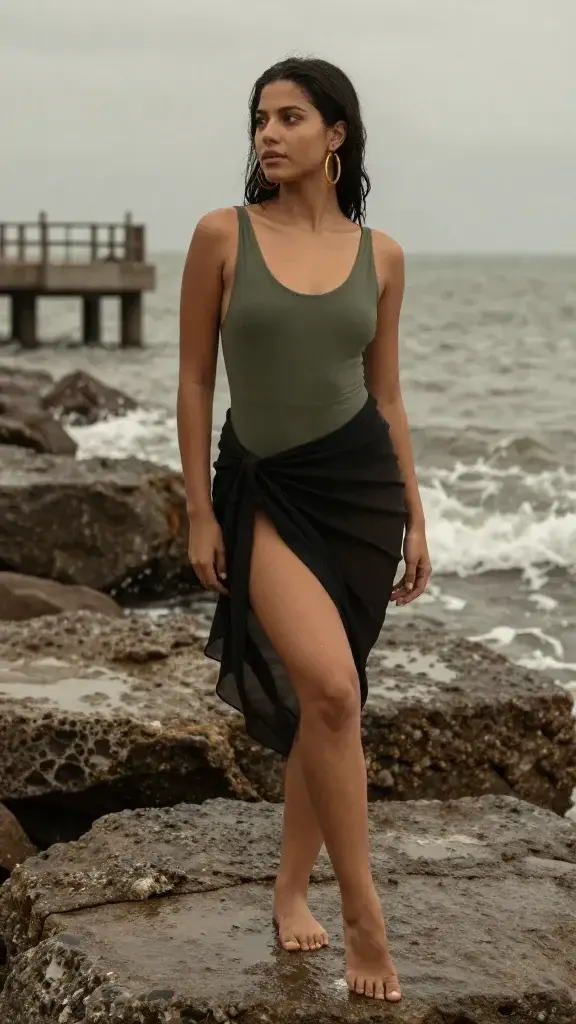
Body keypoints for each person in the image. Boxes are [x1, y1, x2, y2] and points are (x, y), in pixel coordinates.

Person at [177, 56, 431, 1003]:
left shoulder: (384, 255)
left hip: (361, 494)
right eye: (259, 120)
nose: (269, 135)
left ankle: (290, 887)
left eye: (290, 118)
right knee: (329, 688)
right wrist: (199, 509)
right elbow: (196, 380)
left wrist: (416, 514)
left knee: (331, 705)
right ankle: (365, 918)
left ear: (337, 136)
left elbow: (388, 395)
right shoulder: (221, 236)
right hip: (266, 492)